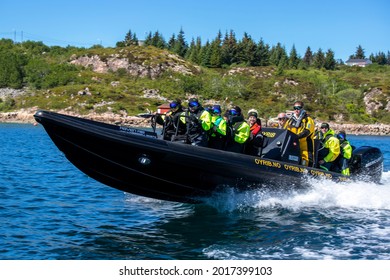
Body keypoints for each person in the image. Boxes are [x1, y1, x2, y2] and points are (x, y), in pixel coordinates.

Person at [285, 101, 315, 166]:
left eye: (298, 108)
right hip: (293, 145)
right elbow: (285, 131)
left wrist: (295, 137)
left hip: (305, 147)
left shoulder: (308, 120)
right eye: (295, 108)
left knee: (305, 162)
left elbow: (307, 132)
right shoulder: (290, 121)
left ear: (302, 108)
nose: (296, 110)